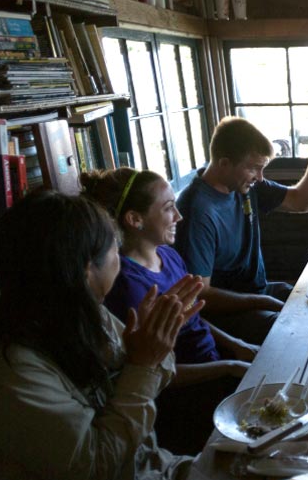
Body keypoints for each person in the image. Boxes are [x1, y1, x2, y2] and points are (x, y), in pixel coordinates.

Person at [0, 191, 202, 480]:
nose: (120, 262)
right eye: (114, 252)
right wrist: (142, 363)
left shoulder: (81, 315)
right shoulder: (5, 373)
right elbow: (95, 468)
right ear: (85, 269)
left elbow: (147, 382)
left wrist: (150, 346)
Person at [82, 167, 258, 454]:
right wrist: (229, 367)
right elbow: (151, 369)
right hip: (185, 395)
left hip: (213, 364)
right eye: (168, 208)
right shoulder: (128, 285)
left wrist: (236, 346)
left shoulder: (168, 255)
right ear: (134, 219)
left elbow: (191, 318)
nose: (179, 216)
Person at [175, 116, 308, 344]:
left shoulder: (243, 184)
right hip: (225, 314)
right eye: (254, 168)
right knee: (297, 332)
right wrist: (259, 301)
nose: (260, 177)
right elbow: (201, 295)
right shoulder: (197, 211)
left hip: (258, 292)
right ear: (224, 163)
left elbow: (302, 202)